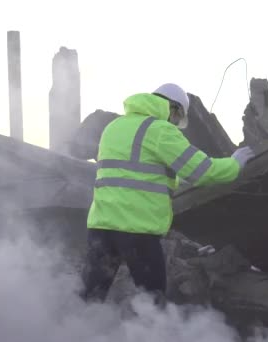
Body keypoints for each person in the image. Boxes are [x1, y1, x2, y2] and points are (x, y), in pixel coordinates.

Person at [80, 83, 255, 303]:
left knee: (89, 299)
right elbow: (201, 171)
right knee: (153, 304)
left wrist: (173, 181)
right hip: (137, 232)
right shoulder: (160, 130)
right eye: (178, 117)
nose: (176, 123)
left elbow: (133, 171)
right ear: (173, 109)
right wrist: (234, 164)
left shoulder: (114, 128)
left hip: (101, 228)